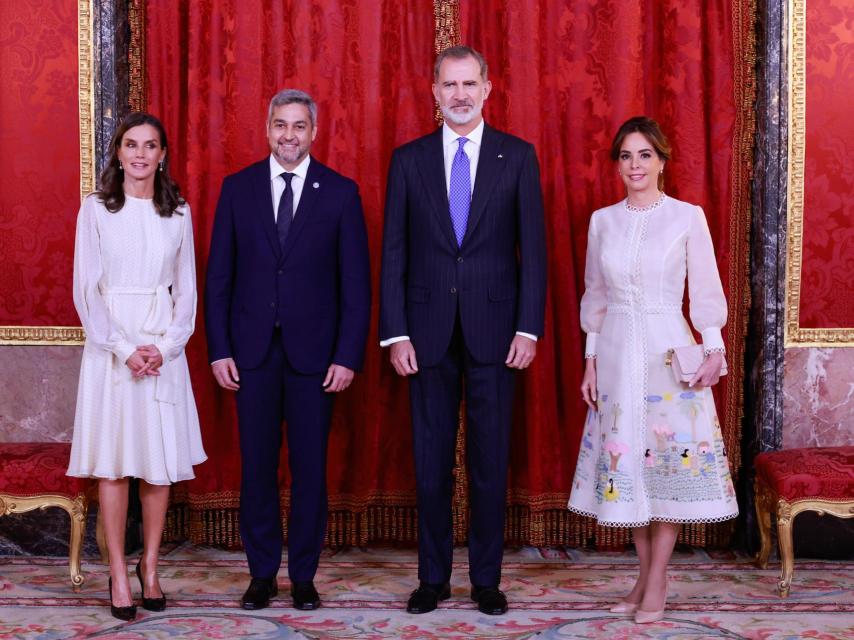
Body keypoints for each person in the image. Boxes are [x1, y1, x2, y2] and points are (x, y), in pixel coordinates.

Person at [379, 45, 547, 616]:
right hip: (424, 336)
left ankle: (486, 582)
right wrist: (394, 333)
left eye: (469, 84)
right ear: (434, 91)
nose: (459, 95)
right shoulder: (408, 160)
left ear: (488, 88)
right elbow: (394, 253)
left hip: (497, 334)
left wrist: (528, 327)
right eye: (449, 85)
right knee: (429, 467)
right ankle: (432, 580)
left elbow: (535, 253)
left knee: (489, 464)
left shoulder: (517, 157)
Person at [205, 89, 371, 612]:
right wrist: (219, 349)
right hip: (250, 355)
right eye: (280, 125)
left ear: (314, 132)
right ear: (267, 128)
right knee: (256, 469)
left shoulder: (341, 193)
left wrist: (347, 355)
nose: (289, 135)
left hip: (315, 359)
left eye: (299, 126)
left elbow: (356, 286)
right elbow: (219, 279)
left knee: (309, 471)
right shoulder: (237, 189)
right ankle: (260, 575)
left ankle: (303, 575)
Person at [567, 116, 738, 624]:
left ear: (662, 161)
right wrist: (591, 359)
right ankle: (644, 579)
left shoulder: (687, 216)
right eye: (626, 156)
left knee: (663, 467)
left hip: (668, 351)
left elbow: (705, 288)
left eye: (644, 155)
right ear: (617, 164)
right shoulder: (603, 221)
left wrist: (713, 348)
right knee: (630, 469)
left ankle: (657, 580)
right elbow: (595, 294)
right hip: (617, 351)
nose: (635, 165)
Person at [67, 112, 207, 621]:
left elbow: (186, 289)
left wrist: (166, 347)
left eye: (151, 145)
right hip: (113, 352)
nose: (141, 154)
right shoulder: (97, 210)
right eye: (132, 145)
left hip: (162, 349)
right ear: (118, 153)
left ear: (163, 153)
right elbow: (87, 288)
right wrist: (125, 348)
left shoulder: (179, 212)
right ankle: (119, 572)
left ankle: (150, 567)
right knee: (115, 460)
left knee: (157, 463)